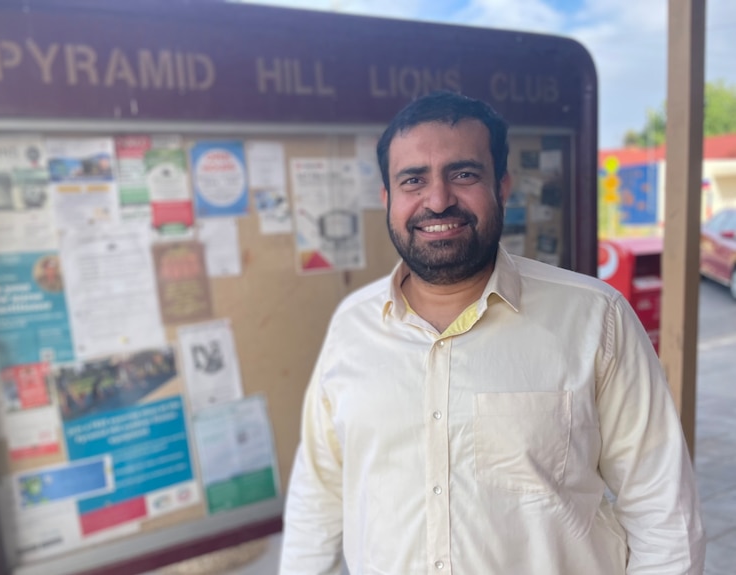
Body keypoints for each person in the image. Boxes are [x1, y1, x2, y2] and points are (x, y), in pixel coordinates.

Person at [280, 91, 705, 574]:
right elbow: (318, 497)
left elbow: (663, 509)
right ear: (388, 199)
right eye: (413, 180)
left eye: (463, 174)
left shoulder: (595, 318)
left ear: (503, 186)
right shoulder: (351, 328)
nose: (437, 200)